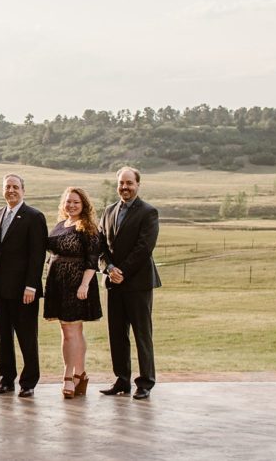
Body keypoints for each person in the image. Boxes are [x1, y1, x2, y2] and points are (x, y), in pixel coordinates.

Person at [99, 166, 161, 401]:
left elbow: (144, 247)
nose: (124, 187)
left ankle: (145, 382)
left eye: (129, 183)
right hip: (114, 283)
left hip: (138, 283)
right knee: (117, 334)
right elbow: (101, 246)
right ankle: (122, 379)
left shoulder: (148, 212)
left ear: (137, 185)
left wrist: (122, 270)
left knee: (142, 334)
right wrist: (110, 269)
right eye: (121, 183)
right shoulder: (108, 211)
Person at [0, 174, 47, 398]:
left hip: (25, 289)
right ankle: (6, 379)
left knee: (26, 336)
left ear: (23, 190)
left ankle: (29, 381)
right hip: (0, 288)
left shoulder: (34, 216)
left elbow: (37, 254)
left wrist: (31, 286)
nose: (11, 191)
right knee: (3, 336)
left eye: (15, 187)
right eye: (7, 187)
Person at [44, 187, 103, 398]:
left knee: (71, 332)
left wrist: (84, 285)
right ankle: (81, 374)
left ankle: (68, 375)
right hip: (57, 282)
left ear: (84, 205)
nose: (71, 205)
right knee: (70, 331)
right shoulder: (61, 225)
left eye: (76, 202)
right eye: (68, 201)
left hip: (77, 282)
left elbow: (92, 260)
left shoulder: (88, 227)